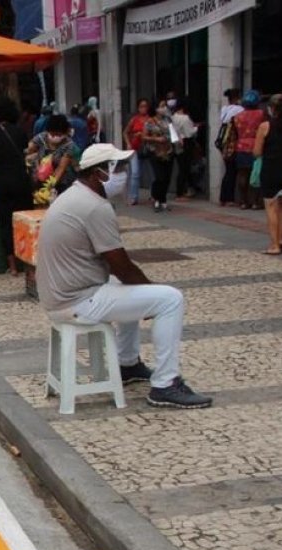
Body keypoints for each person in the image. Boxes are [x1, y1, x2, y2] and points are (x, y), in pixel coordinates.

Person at [36, 143, 213, 409]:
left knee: (125, 286)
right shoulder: (95, 206)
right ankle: (166, 385)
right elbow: (121, 264)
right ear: (100, 173)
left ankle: (127, 364)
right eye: (117, 167)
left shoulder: (73, 195)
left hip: (61, 296)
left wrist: (141, 289)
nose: (123, 173)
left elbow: (119, 271)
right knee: (170, 299)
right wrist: (151, 290)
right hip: (77, 301)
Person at [0, 97, 33, 276]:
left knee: (4, 221)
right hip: (20, 180)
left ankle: (12, 266)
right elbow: (26, 156)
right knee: (24, 219)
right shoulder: (19, 132)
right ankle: (27, 261)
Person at [254, 94, 282, 254]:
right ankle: (281, 239)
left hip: (270, 169)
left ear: (271, 108)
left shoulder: (265, 126)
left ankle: (274, 245)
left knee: (271, 205)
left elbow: (257, 151)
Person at [26, 113, 78, 198]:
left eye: (59, 134)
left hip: (61, 183)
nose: (55, 137)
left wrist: (50, 185)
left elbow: (61, 168)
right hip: (40, 178)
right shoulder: (42, 138)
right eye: (52, 134)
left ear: (65, 133)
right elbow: (29, 149)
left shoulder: (69, 145)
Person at [230, 90, 266, 210]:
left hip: (240, 146)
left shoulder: (237, 116)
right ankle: (255, 202)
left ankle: (243, 201)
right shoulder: (261, 114)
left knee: (242, 174)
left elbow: (234, 133)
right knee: (256, 174)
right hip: (257, 146)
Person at [143, 103, 176, 212]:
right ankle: (156, 198)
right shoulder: (150, 121)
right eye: (161, 106)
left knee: (167, 177)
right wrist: (156, 139)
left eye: (164, 106)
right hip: (155, 152)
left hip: (168, 151)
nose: (163, 109)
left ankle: (163, 200)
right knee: (159, 176)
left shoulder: (169, 120)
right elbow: (144, 136)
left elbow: (173, 133)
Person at [218, 88, 244, 205]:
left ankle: (224, 197)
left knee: (229, 169)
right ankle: (228, 198)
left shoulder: (224, 109)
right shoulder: (239, 109)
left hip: (224, 142)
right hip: (233, 141)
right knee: (232, 170)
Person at [123, 99, 151, 205]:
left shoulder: (150, 120)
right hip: (135, 149)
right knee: (135, 173)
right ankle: (133, 197)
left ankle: (154, 195)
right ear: (138, 108)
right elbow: (125, 132)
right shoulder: (134, 119)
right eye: (141, 106)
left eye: (145, 106)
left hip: (147, 149)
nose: (143, 108)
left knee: (152, 174)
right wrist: (128, 143)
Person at [171, 100, 199, 197]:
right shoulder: (185, 118)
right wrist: (196, 128)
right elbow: (190, 132)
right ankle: (181, 191)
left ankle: (183, 189)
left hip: (176, 143)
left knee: (181, 167)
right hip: (186, 142)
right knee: (185, 168)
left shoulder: (172, 117)